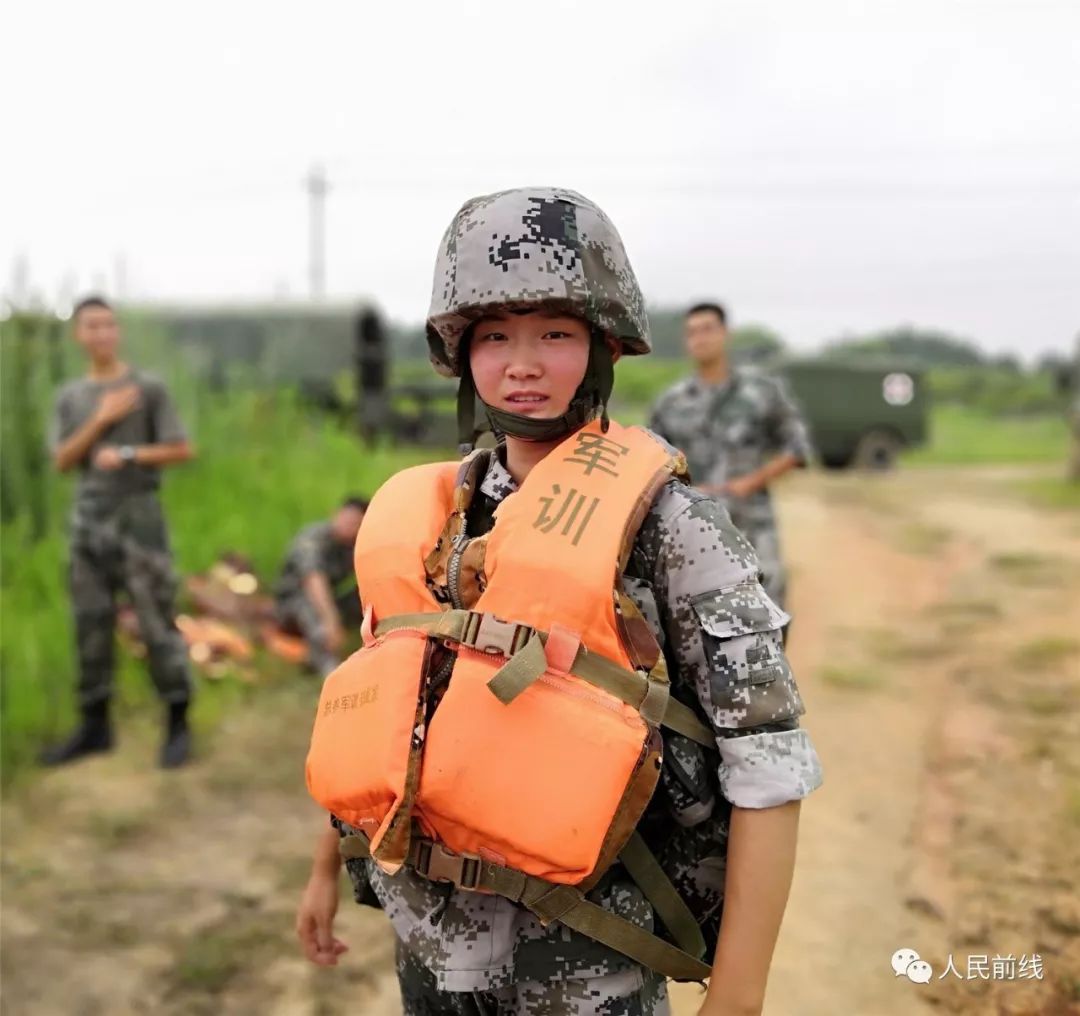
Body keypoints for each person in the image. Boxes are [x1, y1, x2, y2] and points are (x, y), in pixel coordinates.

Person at [296, 189, 822, 1015]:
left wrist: (739, 996)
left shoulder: (673, 528)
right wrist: (325, 868)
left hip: (589, 966)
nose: (523, 363)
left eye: (554, 334)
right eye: (494, 336)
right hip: (431, 952)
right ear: (460, 354)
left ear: (603, 347)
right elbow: (384, 708)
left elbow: (767, 762)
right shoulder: (435, 518)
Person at [41, 295, 196, 769]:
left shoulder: (147, 388)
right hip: (89, 521)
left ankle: (177, 721)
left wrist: (128, 453)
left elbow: (181, 448)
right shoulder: (71, 397)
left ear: (118, 331)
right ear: (79, 334)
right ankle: (95, 726)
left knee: (155, 620)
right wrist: (101, 420)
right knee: (90, 623)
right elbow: (62, 461)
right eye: (92, 326)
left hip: (138, 518)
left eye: (109, 325)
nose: (102, 333)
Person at [648, 304, 812, 611]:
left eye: (707, 329)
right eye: (692, 332)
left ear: (725, 334)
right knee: (694, 612)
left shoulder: (762, 392)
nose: (700, 338)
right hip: (691, 527)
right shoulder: (671, 401)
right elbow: (652, 461)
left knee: (769, 606)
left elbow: (796, 447)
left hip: (751, 521)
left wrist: (751, 482)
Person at [272, 497, 367, 677]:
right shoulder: (312, 539)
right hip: (293, 604)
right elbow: (314, 581)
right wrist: (330, 619)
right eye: (347, 520)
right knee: (312, 610)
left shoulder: (353, 545)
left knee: (367, 595)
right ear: (335, 515)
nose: (349, 527)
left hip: (328, 598)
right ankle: (329, 668)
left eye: (355, 524)